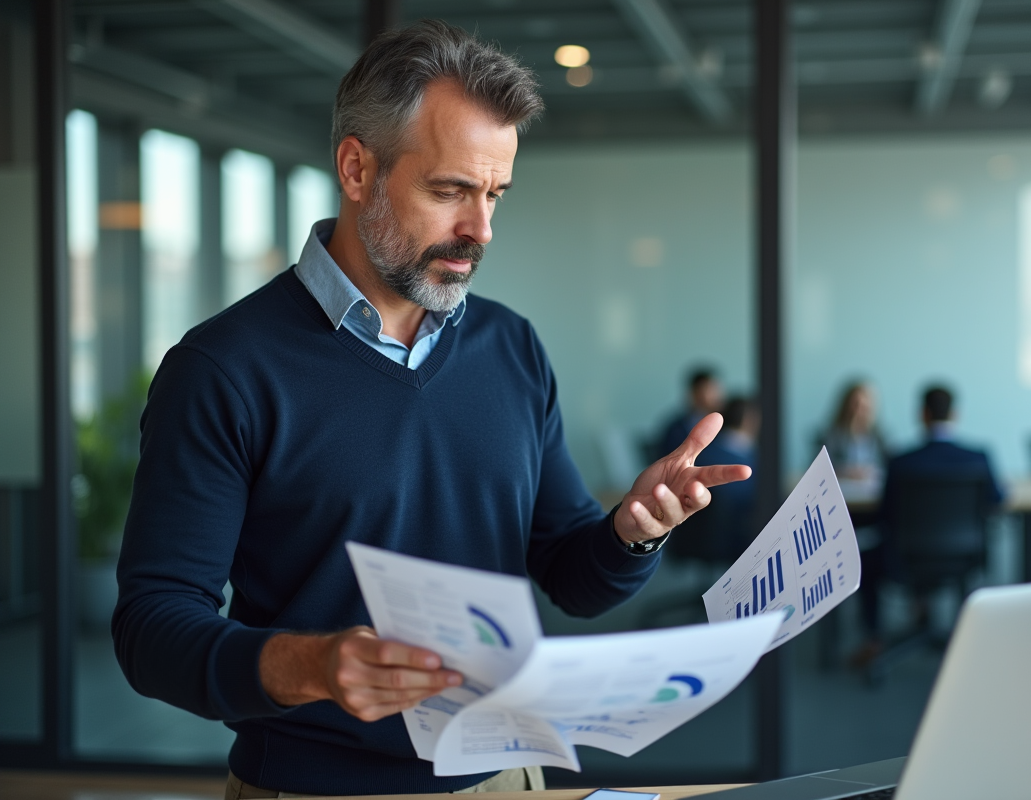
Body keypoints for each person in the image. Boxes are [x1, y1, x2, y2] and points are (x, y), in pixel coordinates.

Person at [113, 22, 751, 799]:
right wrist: (310, 664)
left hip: (508, 777)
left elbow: (571, 578)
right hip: (317, 789)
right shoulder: (224, 369)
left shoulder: (511, 347)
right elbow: (151, 630)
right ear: (356, 168)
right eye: (449, 191)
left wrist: (629, 534)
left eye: (495, 195)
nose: (479, 230)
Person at [853, 386, 1002, 665]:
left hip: (904, 557)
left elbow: (886, 514)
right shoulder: (978, 457)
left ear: (922, 414)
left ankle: (872, 639)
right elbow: (996, 500)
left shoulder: (900, 461)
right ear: (955, 415)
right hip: (964, 557)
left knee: (864, 560)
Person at [684, 396, 760, 561]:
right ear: (749, 420)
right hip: (736, 543)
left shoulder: (701, 454)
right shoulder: (751, 466)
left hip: (694, 539)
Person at [817, 381, 886, 481]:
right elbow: (820, 469)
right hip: (840, 488)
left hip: (870, 493)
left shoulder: (879, 436)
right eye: (855, 405)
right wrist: (847, 472)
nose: (859, 411)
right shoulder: (831, 435)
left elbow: (886, 466)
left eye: (864, 406)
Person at [657, 367, 725, 458]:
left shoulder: (728, 425)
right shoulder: (676, 430)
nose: (717, 395)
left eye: (717, 389)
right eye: (710, 390)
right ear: (694, 393)